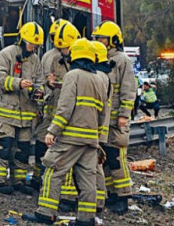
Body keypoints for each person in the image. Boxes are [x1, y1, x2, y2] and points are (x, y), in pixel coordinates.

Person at [23, 38, 108, 226]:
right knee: (87, 179)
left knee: (52, 171)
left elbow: (65, 107)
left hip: (70, 137)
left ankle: (46, 213)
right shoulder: (100, 79)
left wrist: (53, 130)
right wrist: (99, 138)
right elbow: (103, 112)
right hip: (90, 140)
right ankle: (86, 219)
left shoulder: (73, 75)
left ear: (75, 55)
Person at [0, 21, 45, 195]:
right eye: (30, 44)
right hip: (5, 114)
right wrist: (18, 83)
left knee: (22, 150)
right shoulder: (6, 55)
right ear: (22, 40)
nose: (32, 48)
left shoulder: (35, 60)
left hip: (26, 115)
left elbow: (40, 82)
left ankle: (18, 181)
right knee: (3, 147)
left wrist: (38, 91)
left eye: (35, 45)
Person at [32, 20, 80, 206]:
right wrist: (49, 82)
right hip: (53, 108)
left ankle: (66, 193)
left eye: (65, 48)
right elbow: (44, 82)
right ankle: (39, 178)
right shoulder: (50, 57)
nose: (63, 52)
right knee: (44, 142)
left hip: (71, 113)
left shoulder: (80, 54)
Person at [91, 21, 135, 214]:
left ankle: (124, 197)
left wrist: (124, 114)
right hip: (103, 121)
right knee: (106, 160)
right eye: (98, 38)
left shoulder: (122, 61)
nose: (100, 41)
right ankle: (112, 194)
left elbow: (128, 90)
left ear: (113, 40)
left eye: (103, 38)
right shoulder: (99, 59)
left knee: (117, 160)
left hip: (117, 120)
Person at [91, 40, 113, 217]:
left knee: (94, 164)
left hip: (94, 128)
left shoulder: (98, 76)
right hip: (100, 126)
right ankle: (100, 199)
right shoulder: (104, 75)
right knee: (95, 163)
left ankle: (99, 200)